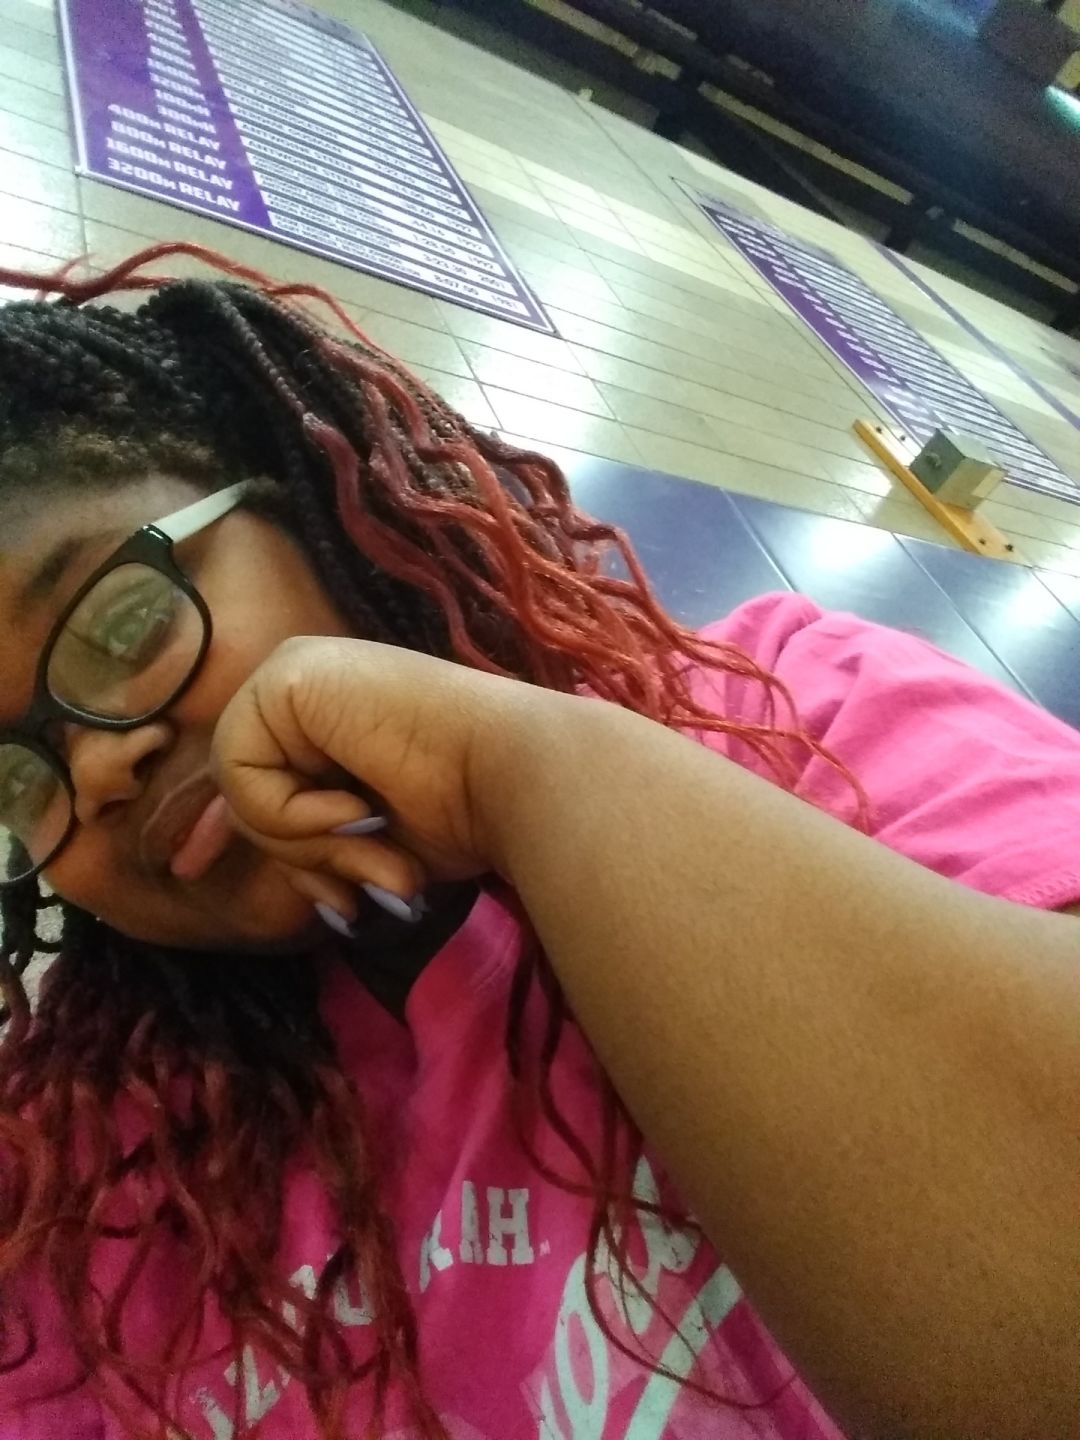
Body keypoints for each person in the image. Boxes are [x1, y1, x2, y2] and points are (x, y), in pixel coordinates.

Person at [0, 242, 1075, 1440]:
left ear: (312, 496)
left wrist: (517, 769)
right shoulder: (81, 1187)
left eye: (126, 626)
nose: (93, 770)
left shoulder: (800, 714)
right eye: (13, 777)